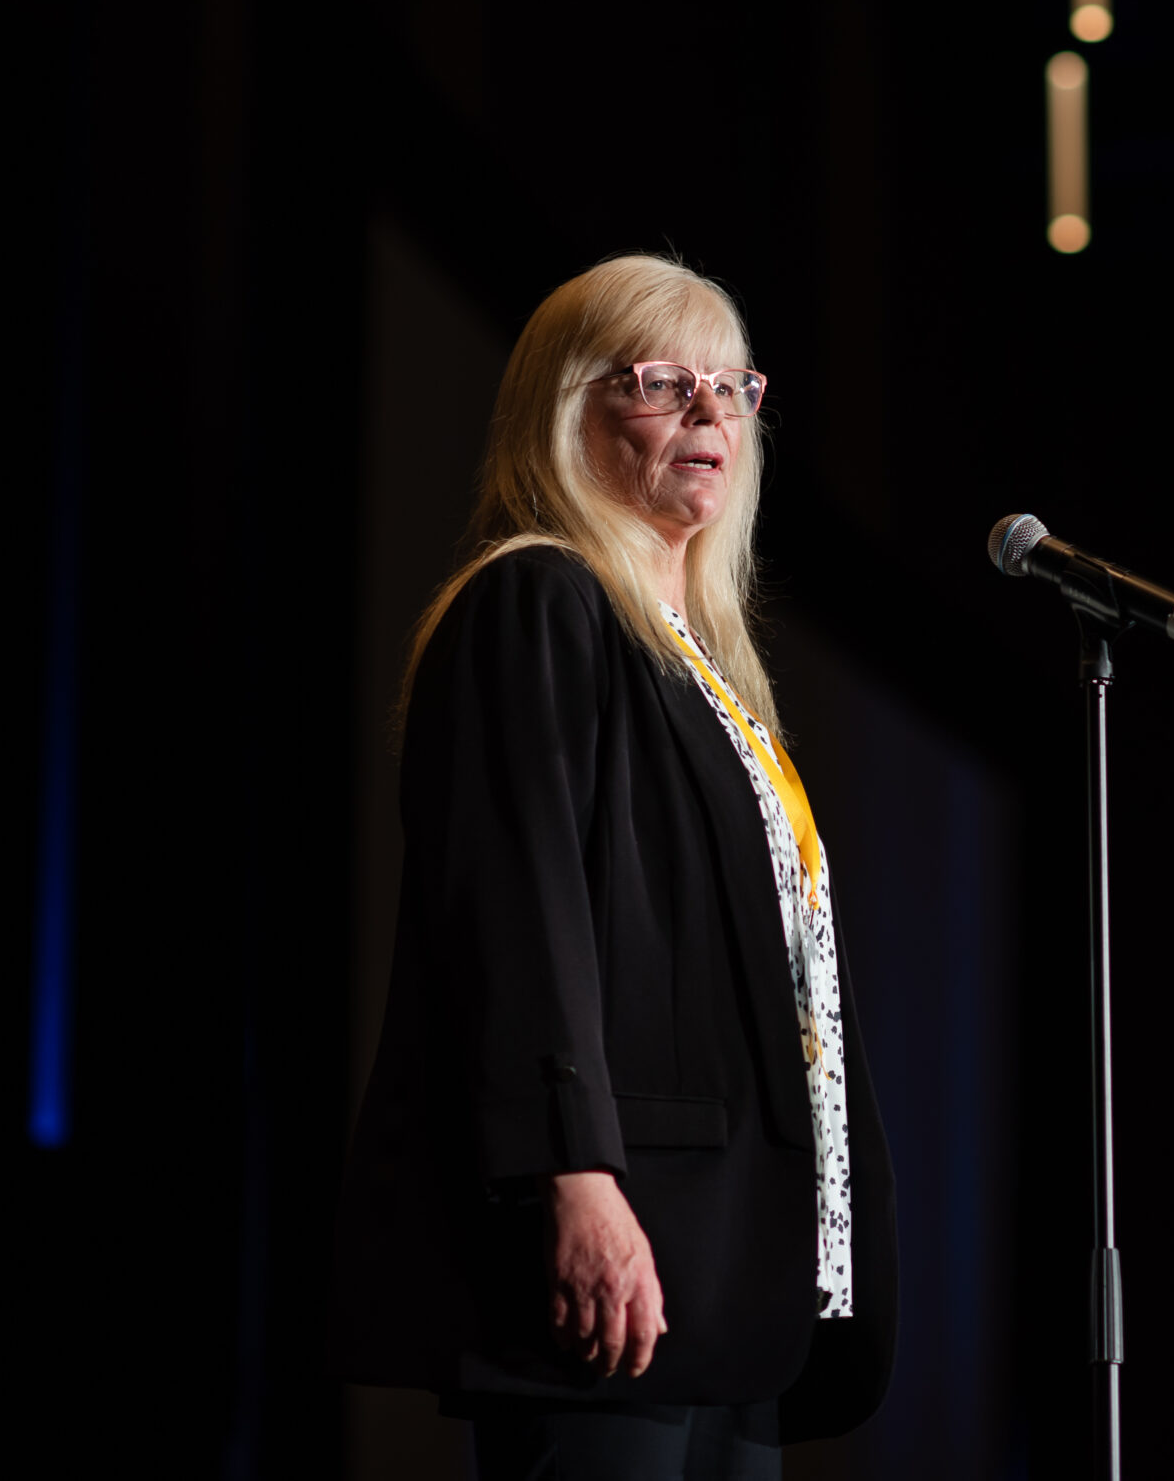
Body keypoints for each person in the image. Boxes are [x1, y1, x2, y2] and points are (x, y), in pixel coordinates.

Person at [332, 255, 896, 1479]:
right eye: (661, 381)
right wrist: (573, 1180)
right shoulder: (538, 599)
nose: (708, 413)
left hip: (733, 1273)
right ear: (566, 408)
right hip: (625, 1244)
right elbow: (518, 918)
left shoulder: (710, 674)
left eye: (730, 386)